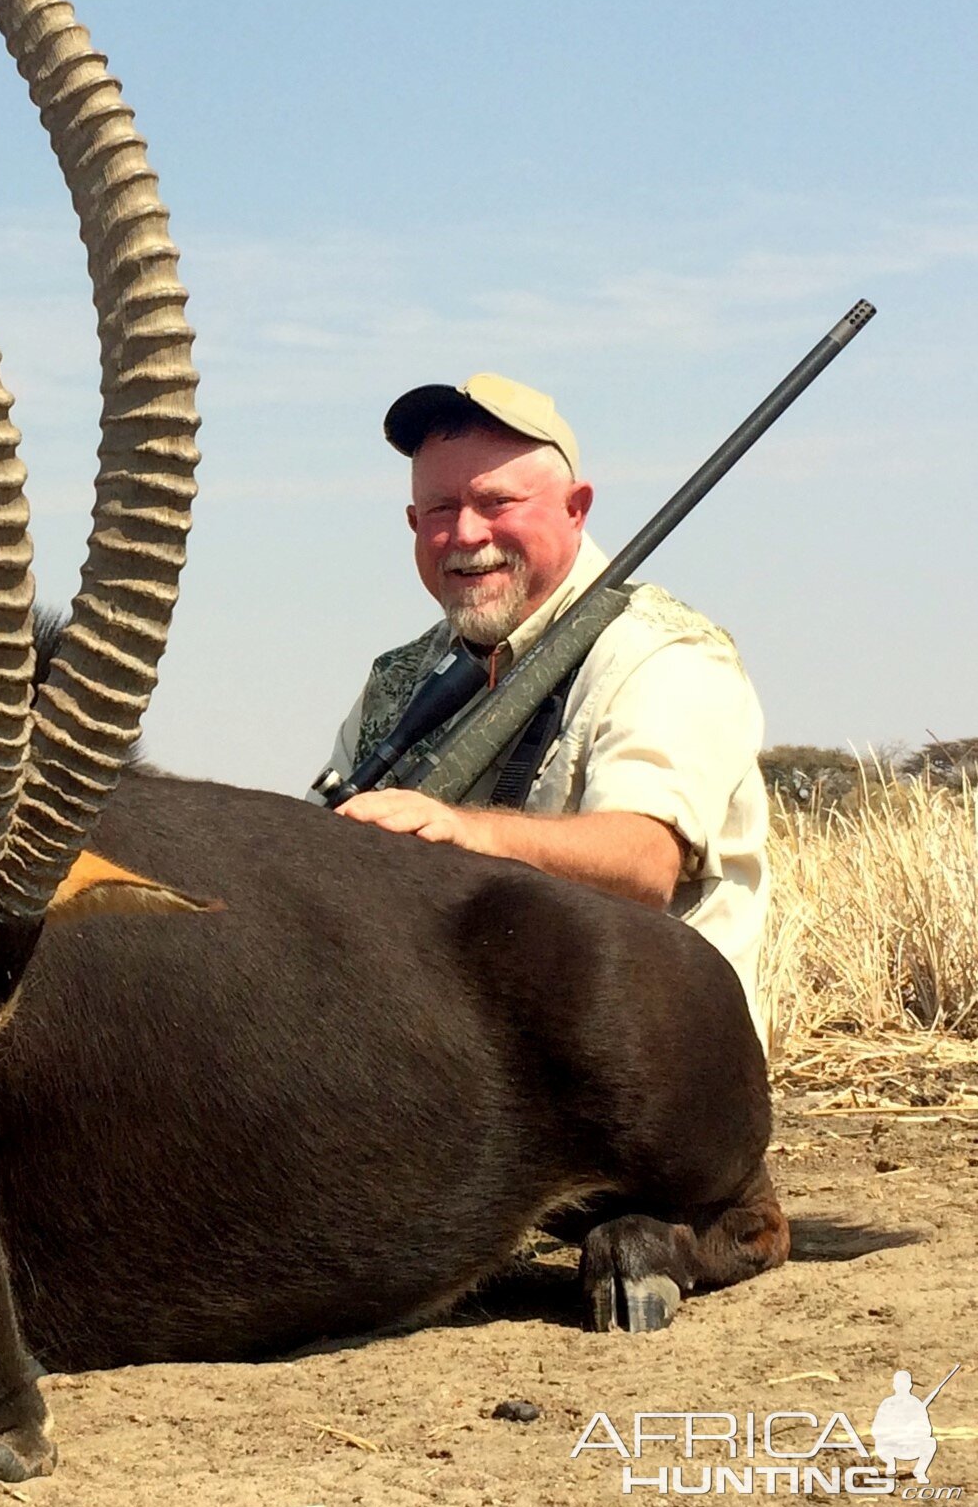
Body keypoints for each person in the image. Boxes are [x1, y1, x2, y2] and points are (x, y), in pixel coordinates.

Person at [308, 373, 770, 1041]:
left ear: (575, 508)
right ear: (412, 523)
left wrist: (463, 833)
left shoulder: (665, 652)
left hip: (632, 1073)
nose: (465, 534)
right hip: (455, 1056)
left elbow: (644, 863)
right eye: (438, 509)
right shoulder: (399, 677)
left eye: (496, 502)